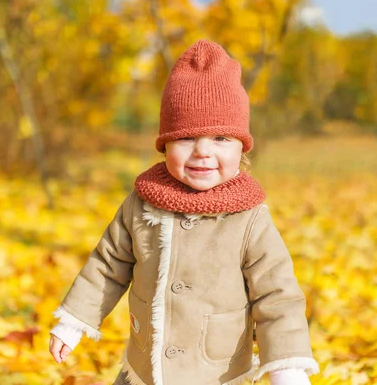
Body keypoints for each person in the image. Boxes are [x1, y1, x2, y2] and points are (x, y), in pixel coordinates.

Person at [48, 39, 320, 385]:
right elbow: (107, 265)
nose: (203, 152)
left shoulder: (249, 217)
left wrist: (287, 367)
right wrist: (74, 320)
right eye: (186, 138)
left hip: (217, 371)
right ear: (165, 144)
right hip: (146, 369)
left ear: (242, 146)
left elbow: (276, 294)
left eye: (221, 138)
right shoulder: (143, 203)